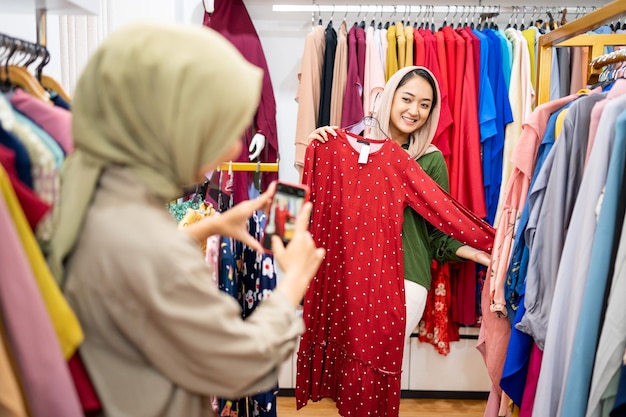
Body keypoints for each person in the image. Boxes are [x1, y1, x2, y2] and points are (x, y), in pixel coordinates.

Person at [47, 22, 326, 417]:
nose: (233, 147)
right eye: (217, 127)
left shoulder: (88, 184)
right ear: (168, 124)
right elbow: (237, 366)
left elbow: (132, 277)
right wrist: (295, 279)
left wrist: (211, 226)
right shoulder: (146, 243)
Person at [307, 66, 490, 340]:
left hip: (404, 281)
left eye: (425, 105)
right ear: (389, 97)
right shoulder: (348, 152)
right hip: (347, 277)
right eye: (407, 99)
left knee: (374, 373)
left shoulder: (429, 159)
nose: (414, 111)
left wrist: (479, 252)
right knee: (344, 373)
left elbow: (440, 231)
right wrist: (318, 149)